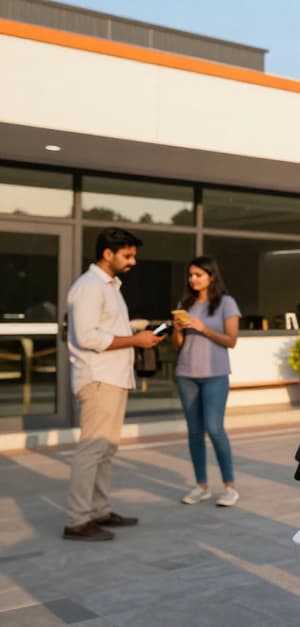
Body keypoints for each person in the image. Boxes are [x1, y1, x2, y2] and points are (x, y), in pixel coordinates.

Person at [63, 227, 165, 541]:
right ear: (108, 254)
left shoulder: (109, 286)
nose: (133, 261)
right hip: (98, 379)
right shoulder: (90, 286)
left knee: (105, 450)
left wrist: (136, 329)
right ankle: (78, 521)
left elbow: (105, 328)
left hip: (113, 379)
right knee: (92, 450)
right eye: (128, 255)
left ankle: (99, 511)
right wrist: (136, 339)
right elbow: (88, 336)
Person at [171, 256, 241, 507]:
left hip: (215, 375)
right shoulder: (185, 304)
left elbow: (231, 340)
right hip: (186, 374)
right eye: (190, 275)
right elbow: (176, 345)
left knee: (214, 428)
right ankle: (201, 486)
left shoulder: (226, 303)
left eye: (198, 274)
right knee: (194, 432)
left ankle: (229, 487)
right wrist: (178, 329)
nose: (193, 279)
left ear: (211, 276)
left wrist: (202, 328)